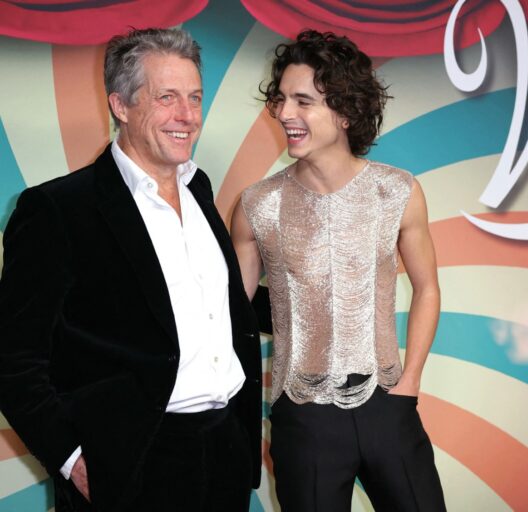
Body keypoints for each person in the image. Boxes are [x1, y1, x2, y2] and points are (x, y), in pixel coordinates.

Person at [0, 28, 262, 512]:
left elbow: (207, 306)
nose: (187, 116)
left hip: (224, 449)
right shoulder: (57, 210)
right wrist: (72, 459)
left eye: (194, 97)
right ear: (121, 105)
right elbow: (14, 360)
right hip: (130, 462)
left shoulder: (199, 189)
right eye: (167, 98)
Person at [232, 29, 446, 511]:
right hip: (301, 421)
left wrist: (409, 382)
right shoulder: (256, 205)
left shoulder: (398, 192)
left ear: (345, 111)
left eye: (303, 101)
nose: (285, 113)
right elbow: (230, 318)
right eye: (282, 99)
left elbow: (428, 288)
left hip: (389, 405)